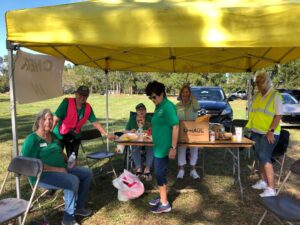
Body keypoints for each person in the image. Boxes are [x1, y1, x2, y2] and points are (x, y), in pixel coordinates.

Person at [22, 109, 93, 225]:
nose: (48, 122)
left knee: (87, 173)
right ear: (38, 121)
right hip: (41, 175)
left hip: (62, 169)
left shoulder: (53, 135)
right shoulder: (32, 140)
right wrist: (58, 169)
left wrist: (69, 161)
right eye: (45, 119)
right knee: (72, 180)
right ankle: (68, 219)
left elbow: (59, 151)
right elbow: (30, 164)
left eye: (50, 119)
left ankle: (79, 207)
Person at [246, 71, 283, 197]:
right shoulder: (257, 95)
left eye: (261, 81)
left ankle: (271, 189)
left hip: (269, 133)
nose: (258, 84)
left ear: (267, 82)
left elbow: (278, 115)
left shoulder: (275, 96)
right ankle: (262, 181)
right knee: (258, 156)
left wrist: (271, 130)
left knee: (264, 156)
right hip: (256, 131)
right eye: (257, 82)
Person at [52, 85, 115, 157]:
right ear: (76, 94)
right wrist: (49, 134)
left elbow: (95, 123)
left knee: (72, 159)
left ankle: (71, 168)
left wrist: (106, 134)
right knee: (58, 157)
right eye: (80, 94)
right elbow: (55, 119)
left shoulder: (88, 108)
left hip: (74, 135)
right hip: (59, 134)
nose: (82, 97)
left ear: (87, 96)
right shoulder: (66, 103)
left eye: (85, 95)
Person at [145, 81, 179, 213]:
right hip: (158, 146)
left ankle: (165, 204)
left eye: (154, 96)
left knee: (159, 173)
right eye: (150, 97)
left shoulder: (167, 107)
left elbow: (175, 126)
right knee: (159, 173)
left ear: (162, 94)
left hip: (164, 148)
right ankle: (162, 197)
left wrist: (173, 147)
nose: (152, 100)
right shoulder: (159, 105)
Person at [176, 84, 200, 179]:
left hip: (193, 130)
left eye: (187, 92)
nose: (185, 94)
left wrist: (193, 99)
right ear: (181, 93)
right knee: (182, 149)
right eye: (183, 92)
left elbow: (198, 108)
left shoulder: (193, 103)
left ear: (190, 93)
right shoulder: (177, 105)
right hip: (181, 130)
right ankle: (181, 169)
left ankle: (193, 170)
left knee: (195, 149)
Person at [124, 103, 154, 181]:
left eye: (143, 110)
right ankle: (138, 169)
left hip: (147, 139)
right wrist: (130, 131)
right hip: (136, 139)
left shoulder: (149, 118)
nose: (141, 112)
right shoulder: (132, 118)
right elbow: (125, 131)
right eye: (139, 110)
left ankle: (147, 169)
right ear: (136, 111)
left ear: (146, 111)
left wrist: (149, 131)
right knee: (134, 146)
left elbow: (156, 129)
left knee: (151, 147)